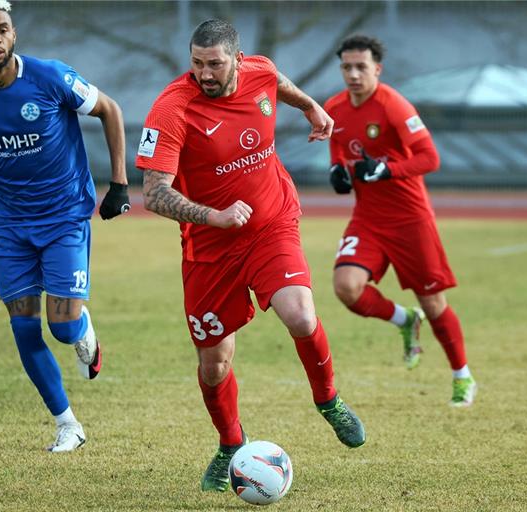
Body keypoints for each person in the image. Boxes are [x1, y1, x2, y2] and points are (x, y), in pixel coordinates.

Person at [136, 19, 366, 493]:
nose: (204, 73)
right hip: (208, 246)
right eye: (197, 63)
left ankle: (329, 401)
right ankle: (229, 444)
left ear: (238, 60)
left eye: (215, 64)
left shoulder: (260, 70)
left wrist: (310, 107)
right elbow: (154, 195)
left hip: (271, 223)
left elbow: (277, 82)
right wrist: (213, 216)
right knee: (214, 362)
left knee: (300, 314)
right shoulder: (172, 110)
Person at [0, 0, 131, 451]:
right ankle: (68, 425)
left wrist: (119, 184)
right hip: (6, 221)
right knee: (23, 324)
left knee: (62, 327)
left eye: (3, 29)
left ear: (14, 34)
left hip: (63, 216)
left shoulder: (49, 76)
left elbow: (110, 110)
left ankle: (84, 334)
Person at [324, 35, 477, 407]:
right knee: (346, 287)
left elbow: (430, 158)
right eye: (347, 67)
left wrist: (387, 169)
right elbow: (339, 156)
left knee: (434, 303)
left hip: (411, 219)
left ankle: (463, 376)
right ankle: (405, 321)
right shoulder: (334, 108)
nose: (354, 74)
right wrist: (338, 174)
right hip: (368, 219)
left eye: (361, 67)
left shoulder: (393, 105)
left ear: (377, 68)